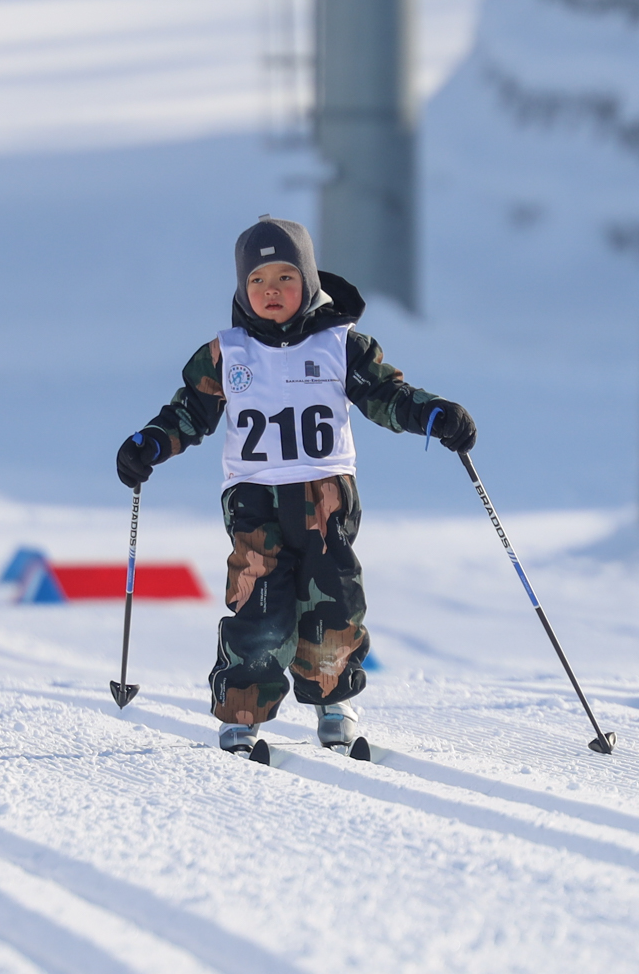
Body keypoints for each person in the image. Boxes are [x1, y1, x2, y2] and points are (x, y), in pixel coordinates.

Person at [115, 216, 475, 758]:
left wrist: (434, 416)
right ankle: (241, 716)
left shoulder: (340, 345)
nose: (271, 291)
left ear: (307, 281)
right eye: (257, 281)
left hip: (326, 498)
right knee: (260, 606)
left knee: (334, 602)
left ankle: (335, 706)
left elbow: (387, 395)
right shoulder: (226, 353)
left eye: (285, 277)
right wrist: (150, 443)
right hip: (255, 499)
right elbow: (189, 411)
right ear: (242, 290)